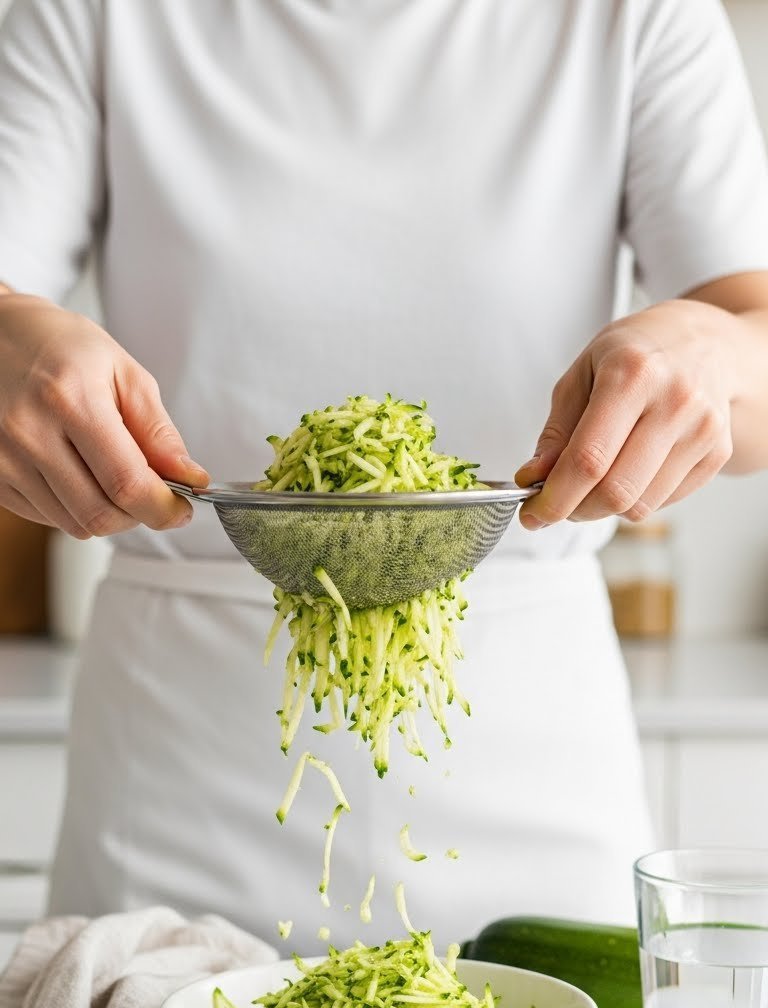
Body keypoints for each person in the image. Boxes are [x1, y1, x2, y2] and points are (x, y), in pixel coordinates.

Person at [1, 0, 768, 953]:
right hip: (175, 798)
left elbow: (757, 337)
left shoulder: (637, 14)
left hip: (535, 790)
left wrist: (720, 352)